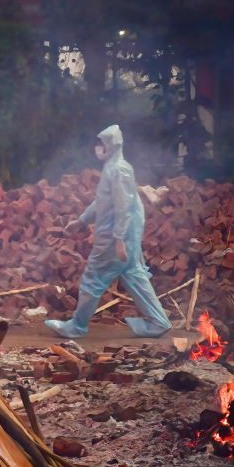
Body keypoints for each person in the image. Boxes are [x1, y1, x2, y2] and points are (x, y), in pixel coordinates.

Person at [45, 124, 171, 339]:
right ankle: (159, 322)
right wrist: (82, 221)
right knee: (134, 276)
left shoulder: (119, 170)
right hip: (120, 237)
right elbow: (103, 201)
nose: (98, 148)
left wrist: (119, 239)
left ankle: (77, 326)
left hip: (113, 238)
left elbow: (124, 206)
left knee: (92, 279)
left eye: (101, 144)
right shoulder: (114, 168)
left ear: (111, 145)